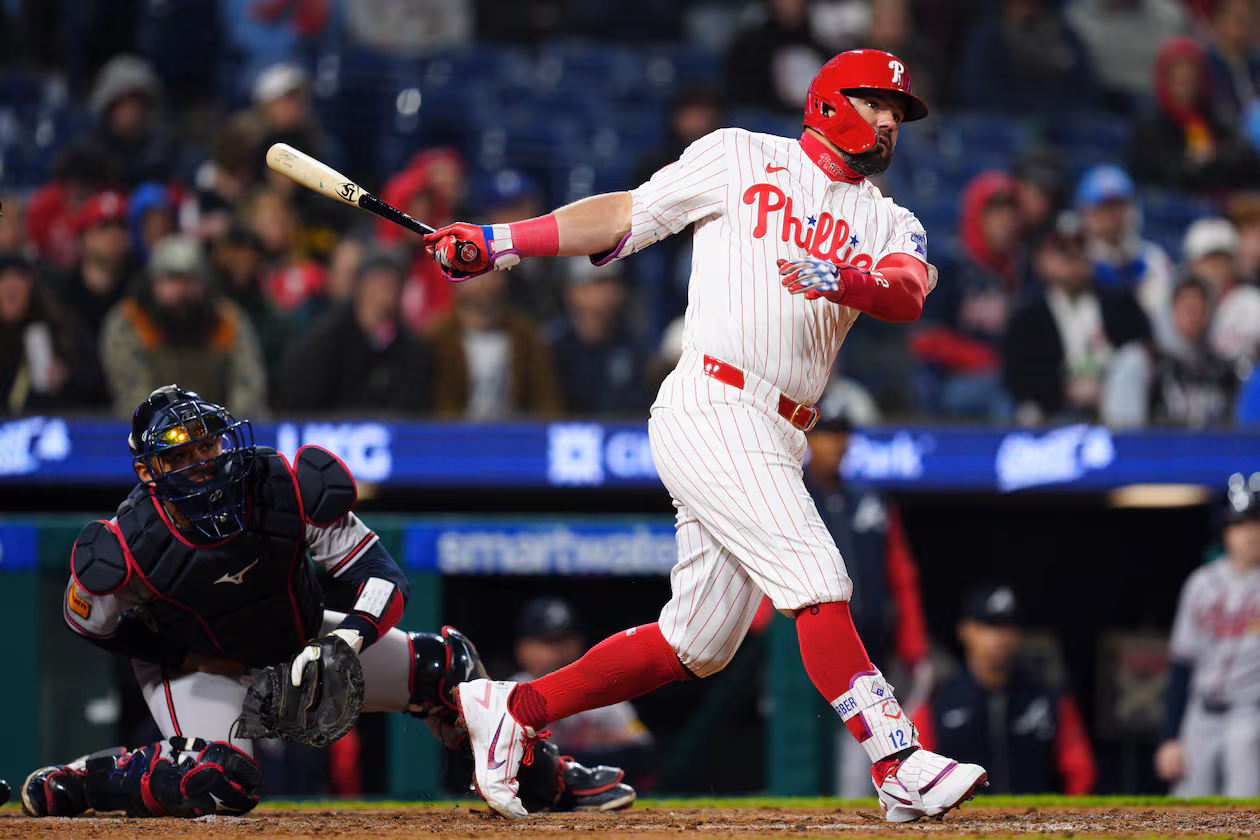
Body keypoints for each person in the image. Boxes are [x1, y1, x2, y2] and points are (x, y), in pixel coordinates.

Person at [422, 48, 988, 822]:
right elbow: (625, 213)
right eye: (875, 102)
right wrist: (499, 242)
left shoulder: (892, 218)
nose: (890, 120)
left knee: (698, 643)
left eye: (899, 112)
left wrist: (847, 280)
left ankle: (512, 710)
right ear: (826, 101)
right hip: (714, 401)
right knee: (818, 578)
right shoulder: (739, 154)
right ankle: (898, 759)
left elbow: (907, 291)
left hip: (783, 428)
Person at [20, 385, 635, 818]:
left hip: (299, 644)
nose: (202, 466)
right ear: (150, 471)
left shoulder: (284, 485)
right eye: (180, 456)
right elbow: (91, 625)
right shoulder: (124, 541)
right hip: (200, 668)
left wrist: (347, 638)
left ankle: (549, 781)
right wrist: (180, 649)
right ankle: (89, 779)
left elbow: (382, 575)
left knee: (451, 669)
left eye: (206, 448)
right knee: (217, 784)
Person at [802, 404, 933, 798]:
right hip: (808, 647)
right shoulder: (792, 496)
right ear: (808, 439)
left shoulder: (871, 501)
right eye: (826, 434)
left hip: (871, 646)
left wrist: (914, 646)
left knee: (861, 750)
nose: (835, 445)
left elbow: (902, 578)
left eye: (841, 435)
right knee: (806, 747)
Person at [917, 584, 1097, 795]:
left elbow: (1082, 775)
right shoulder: (937, 703)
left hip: (1037, 823)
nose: (999, 637)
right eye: (988, 625)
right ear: (965, 630)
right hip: (962, 825)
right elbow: (915, 778)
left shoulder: (1049, 700)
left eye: (1007, 626)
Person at [1156, 473, 1260, 797]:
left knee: (1243, 819)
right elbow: (1181, 663)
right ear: (1225, 532)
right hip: (1199, 716)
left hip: (1249, 716)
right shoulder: (1200, 584)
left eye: (1255, 523)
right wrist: (1169, 737)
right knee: (1187, 819)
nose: (1249, 534)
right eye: (1239, 524)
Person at [99, 234, 268, 418]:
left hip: (217, 432)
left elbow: (247, 390)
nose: (182, 290)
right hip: (153, 435)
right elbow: (132, 397)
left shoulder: (228, 320)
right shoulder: (129, 323)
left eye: (191, 280)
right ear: (154, 283)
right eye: (172, 280)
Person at [1003, 218, 1152, 426]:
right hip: (1054, 404)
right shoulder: (1028, 314)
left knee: (1133, 359)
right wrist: (1066, 389)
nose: (1072, 257)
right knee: (1028, 412)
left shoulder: (1117, 302)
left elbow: (1144, 346)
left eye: (1079, 249)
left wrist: (1105, 385)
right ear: (1042, 261)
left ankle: (1128, 450)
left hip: (1112, 398)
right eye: (1062, 250)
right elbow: (1016, 376)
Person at [911, 170, 1025, 421]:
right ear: (976, 215)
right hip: (953, 381)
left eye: (1010, 213)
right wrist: (977, 357)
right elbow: (923, 339)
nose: (1005, 221)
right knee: (1002, 392)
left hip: (1008, 376)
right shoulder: (950, 267)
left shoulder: (1020, 271)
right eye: (995, 212)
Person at [511, 598, 653, 790]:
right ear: (523, 648)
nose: (557, 651)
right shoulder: (511, 693)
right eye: (547, 642)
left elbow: (641, 750)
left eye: (565, 640)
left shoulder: (601, 688)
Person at [276, 247, 434, 415]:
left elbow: (415, 411)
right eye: (379, 276)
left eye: (395, 279)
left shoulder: (411, 349)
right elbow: (299, 398)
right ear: (359, 284)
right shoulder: (325, 341)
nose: (388, 284)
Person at [1130, 36, 1260, 193]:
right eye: (1180, 80)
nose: (1186, 87)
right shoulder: (1150, 123)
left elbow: (1247, 157)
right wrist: (1200, 164)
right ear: (1165, 80)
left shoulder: (1212, 116)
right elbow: (1167, 174)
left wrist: (1212, 157)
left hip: (1222, 199)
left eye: (1191, 79)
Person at [428, 270, 562, 419]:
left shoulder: (527, 338)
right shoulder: (436, 339)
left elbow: (545, 402)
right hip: (451, 438)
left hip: (513, 438)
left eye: (492, 273)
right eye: (475, 275)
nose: (485, 284)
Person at [547, 259, 652, 417]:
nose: (610, 290)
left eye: (614, 282)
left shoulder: (634, 344)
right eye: (599, 283)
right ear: (573, 291)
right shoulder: (553, 347)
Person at [1150, 277, 1237, 428]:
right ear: (1172, 311)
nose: (1194, 317)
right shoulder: (1151, 365)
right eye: (1188, 309)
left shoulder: (1222, 369)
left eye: (1199, 308)